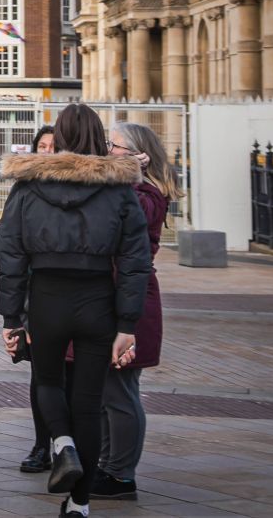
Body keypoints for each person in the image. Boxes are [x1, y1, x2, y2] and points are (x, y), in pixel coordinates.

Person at [0, 103, 151, 518]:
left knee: (47, 381)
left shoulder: (28, 186)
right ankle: (80, 503)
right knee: (88, 399)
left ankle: (60, 442)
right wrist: (127, 323)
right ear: (98, 138)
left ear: (58, 137)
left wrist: (11, 316)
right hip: (97, 298)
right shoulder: (119, 188)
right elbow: (136, 259)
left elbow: (8, 251)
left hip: (47, 296)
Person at [95, 123, 174, 501]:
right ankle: (108, 465)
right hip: (116, 297)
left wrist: (131, 177)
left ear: (138, 154)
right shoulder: (132, 189)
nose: (108, 151)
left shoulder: (147, 194)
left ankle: (120, 474)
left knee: (121, 390)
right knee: (109, 391)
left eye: (116, 146)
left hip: (132, 301)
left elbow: (132, 227)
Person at [21, 123, 60, 476]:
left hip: (73, 294)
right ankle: (40, 444)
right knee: (41, 375)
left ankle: (67, 444)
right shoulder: (27, 188)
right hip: (38, 294)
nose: (47, 151)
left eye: (53, 145)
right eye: (42, 146)